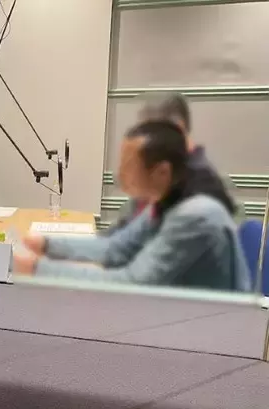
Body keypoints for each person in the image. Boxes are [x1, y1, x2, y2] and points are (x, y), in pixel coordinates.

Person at [13, 120, 251, 292]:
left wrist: (37, 269)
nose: (120, 174)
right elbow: (115, 249)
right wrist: (46, 244)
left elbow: (133, 283)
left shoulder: (195, 215)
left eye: (129, 165)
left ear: (162, 172)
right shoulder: (168, 198)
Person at [103, 92, 240, 236]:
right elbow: (126, 230)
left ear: (178, 129)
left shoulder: (204, 188)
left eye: (148, 135)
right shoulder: (158, 173)